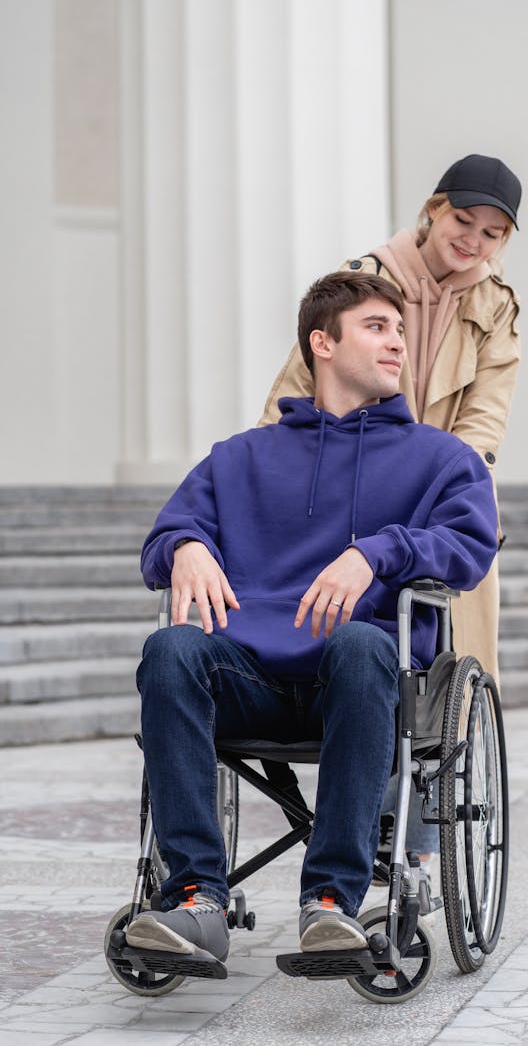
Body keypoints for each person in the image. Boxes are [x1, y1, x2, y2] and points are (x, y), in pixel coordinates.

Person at [125, 271, 498, 967]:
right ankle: (195, 899)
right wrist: (184, 547)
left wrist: (379, 552)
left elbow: (469, 548)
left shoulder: (442, 460)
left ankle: (330, 901)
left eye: (399, 329)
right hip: (249, 678)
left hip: (363, 681)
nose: (397, 343)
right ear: (322, 343)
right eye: (376, 327)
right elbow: (162, 536)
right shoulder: (239, 458)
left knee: (361, 639)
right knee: (170, 647)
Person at [259, 153, 522, 686]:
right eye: (463, 221)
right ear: (434, 211)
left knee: (460, 643)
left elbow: (483, 420)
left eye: (492, 233)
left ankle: (440, 729)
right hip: (349, 475)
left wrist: (456, 484)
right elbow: (297, 388)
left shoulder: (497, 307)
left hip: (440, 483)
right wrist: (263, 475)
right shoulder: (363, 281)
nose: (473, 240)